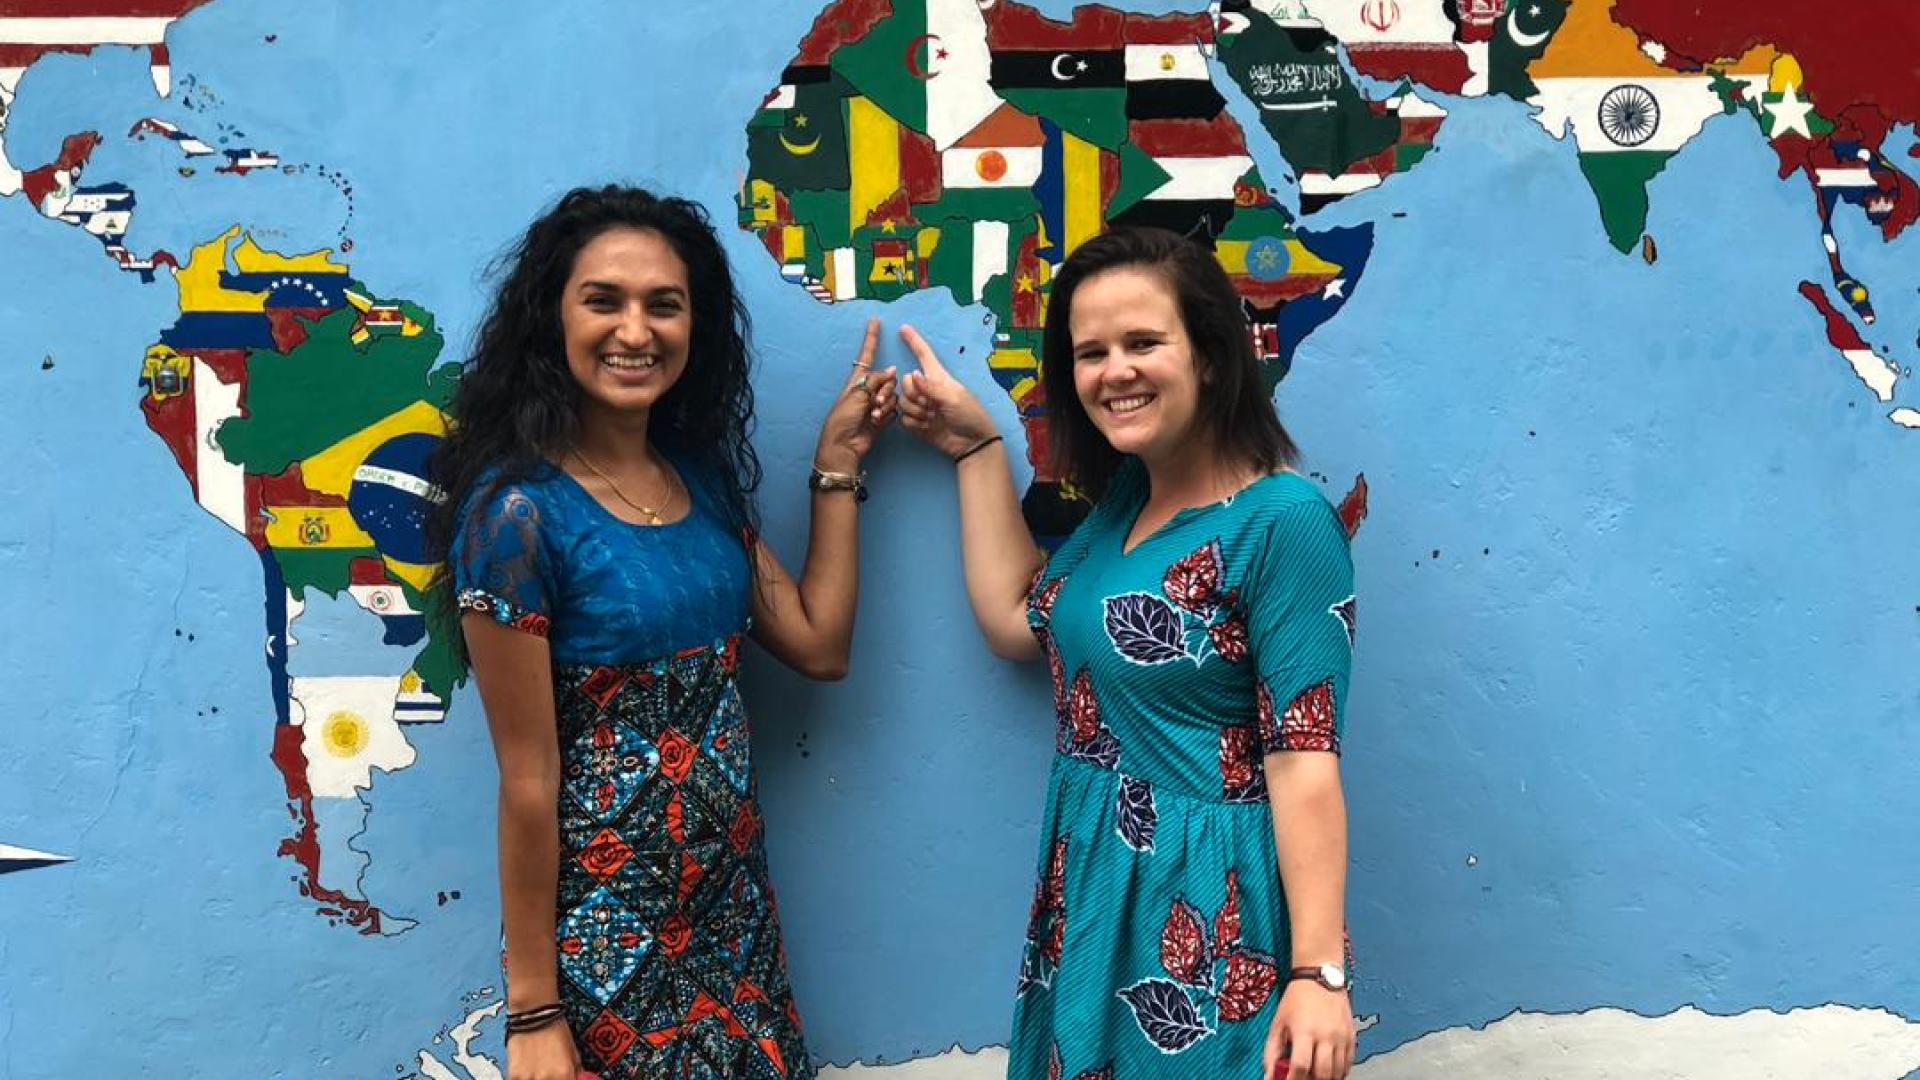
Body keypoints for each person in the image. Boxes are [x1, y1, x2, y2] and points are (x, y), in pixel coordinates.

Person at [428, 185, 896, 1080]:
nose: (635, 330)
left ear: (696, 326)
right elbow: (527, 779)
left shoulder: (699, 483)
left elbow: (816, 643)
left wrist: (835, 467)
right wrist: (533, 1013)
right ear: (551, 320)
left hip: (735, 921)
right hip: (611, 944)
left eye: (663, 305)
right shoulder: (515, 518)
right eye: (603, 300)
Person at [897, 227, 1359, 1080]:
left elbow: (1304, 759)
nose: (1116, 371)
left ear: (1212, 356)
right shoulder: (1121, 508)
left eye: (1144, 342)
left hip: (1206, 906)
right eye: (1091, 351)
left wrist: (1319, 974)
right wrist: (974, 448)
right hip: (1093, 887)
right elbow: (1015, 620)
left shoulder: (1284, 523)